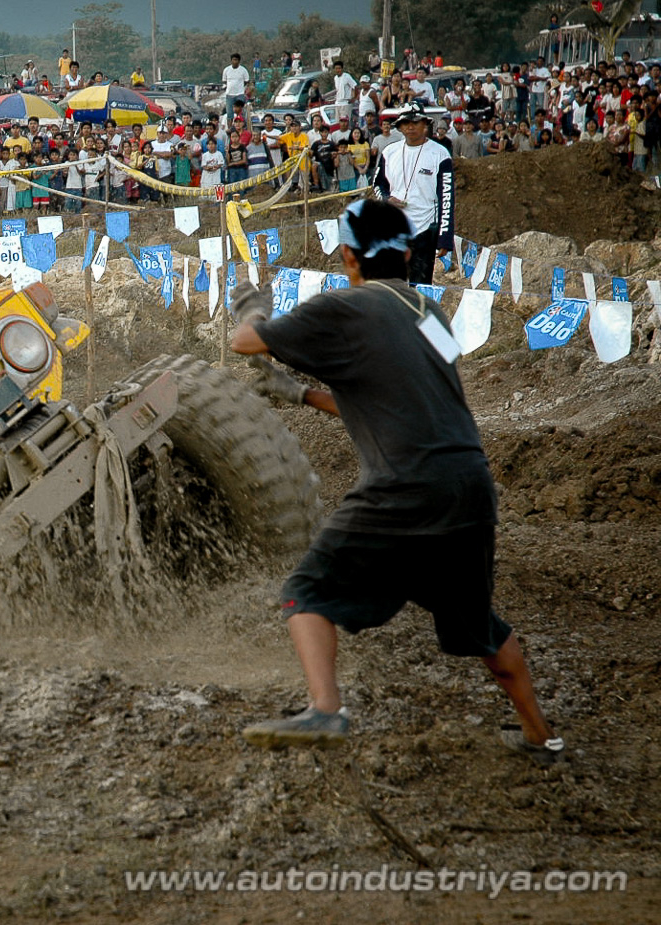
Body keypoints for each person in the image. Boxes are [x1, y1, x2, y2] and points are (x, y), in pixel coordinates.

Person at [228, 198, 565, 768]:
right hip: (468, 484)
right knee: (479, 626)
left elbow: (245, 343)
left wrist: (253, 309)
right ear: (408, 254)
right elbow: (402, 402)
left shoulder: (344, 306)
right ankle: (541, 736)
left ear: (347, 256)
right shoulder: (431, 314)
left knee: (305, 592)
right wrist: (301, 394)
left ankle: (325, 709)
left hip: (403, 484)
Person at [375, 101, 454, 284]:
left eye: (415, 122)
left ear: (425, 123)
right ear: (399, 127)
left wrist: (444, 238)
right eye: (406, 123)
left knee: (420, 286)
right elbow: (378, 184)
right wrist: (387, 199)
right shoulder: (389, 152)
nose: (410, 127)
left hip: (425, 229)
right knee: (392, 283)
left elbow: (447, 198)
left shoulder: (440, 154)